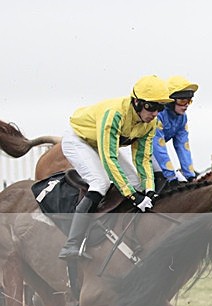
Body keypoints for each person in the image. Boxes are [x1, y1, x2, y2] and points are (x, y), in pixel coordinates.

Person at [58, 75, 172, 260]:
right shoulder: (115, 113)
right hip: (78, 140)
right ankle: (72, 244)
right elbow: (109, 159)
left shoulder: (150, 124)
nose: (154, 113)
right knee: (100, 182)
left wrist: (149, 190)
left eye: (160, 107)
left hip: (100, 142)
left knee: (136, 182)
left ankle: (119, 231)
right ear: (136, 102)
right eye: (151, 106)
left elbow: (143, 159)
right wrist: (134, 197)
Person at [152, 76, 198, 189]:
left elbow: (183, 146)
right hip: (136, 149)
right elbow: (158, 146)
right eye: (182, 100)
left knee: (182, 182)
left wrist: (191, 175)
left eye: (189, 101)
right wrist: (170, 176)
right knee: (163, 177)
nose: (186, 105)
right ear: (171, 101)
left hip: (154, 152)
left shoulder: (182, 118)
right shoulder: (158, 115)